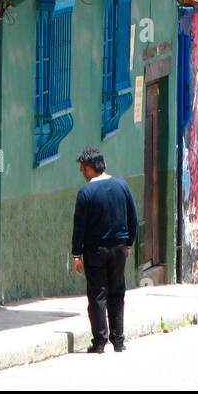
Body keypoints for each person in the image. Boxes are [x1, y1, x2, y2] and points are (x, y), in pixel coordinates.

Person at [71, 147, 137, 353]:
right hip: (118, 249)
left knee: (97, 294)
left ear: (90, 168)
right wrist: (128, 243)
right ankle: (119, 341)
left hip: (95, 251)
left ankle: (99, 341)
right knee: (117, 292)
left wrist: (76, 254)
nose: (82, 172)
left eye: (82, 169)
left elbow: (79, 226)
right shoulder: (122, 186)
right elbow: (132, 218)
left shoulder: (86, 193)